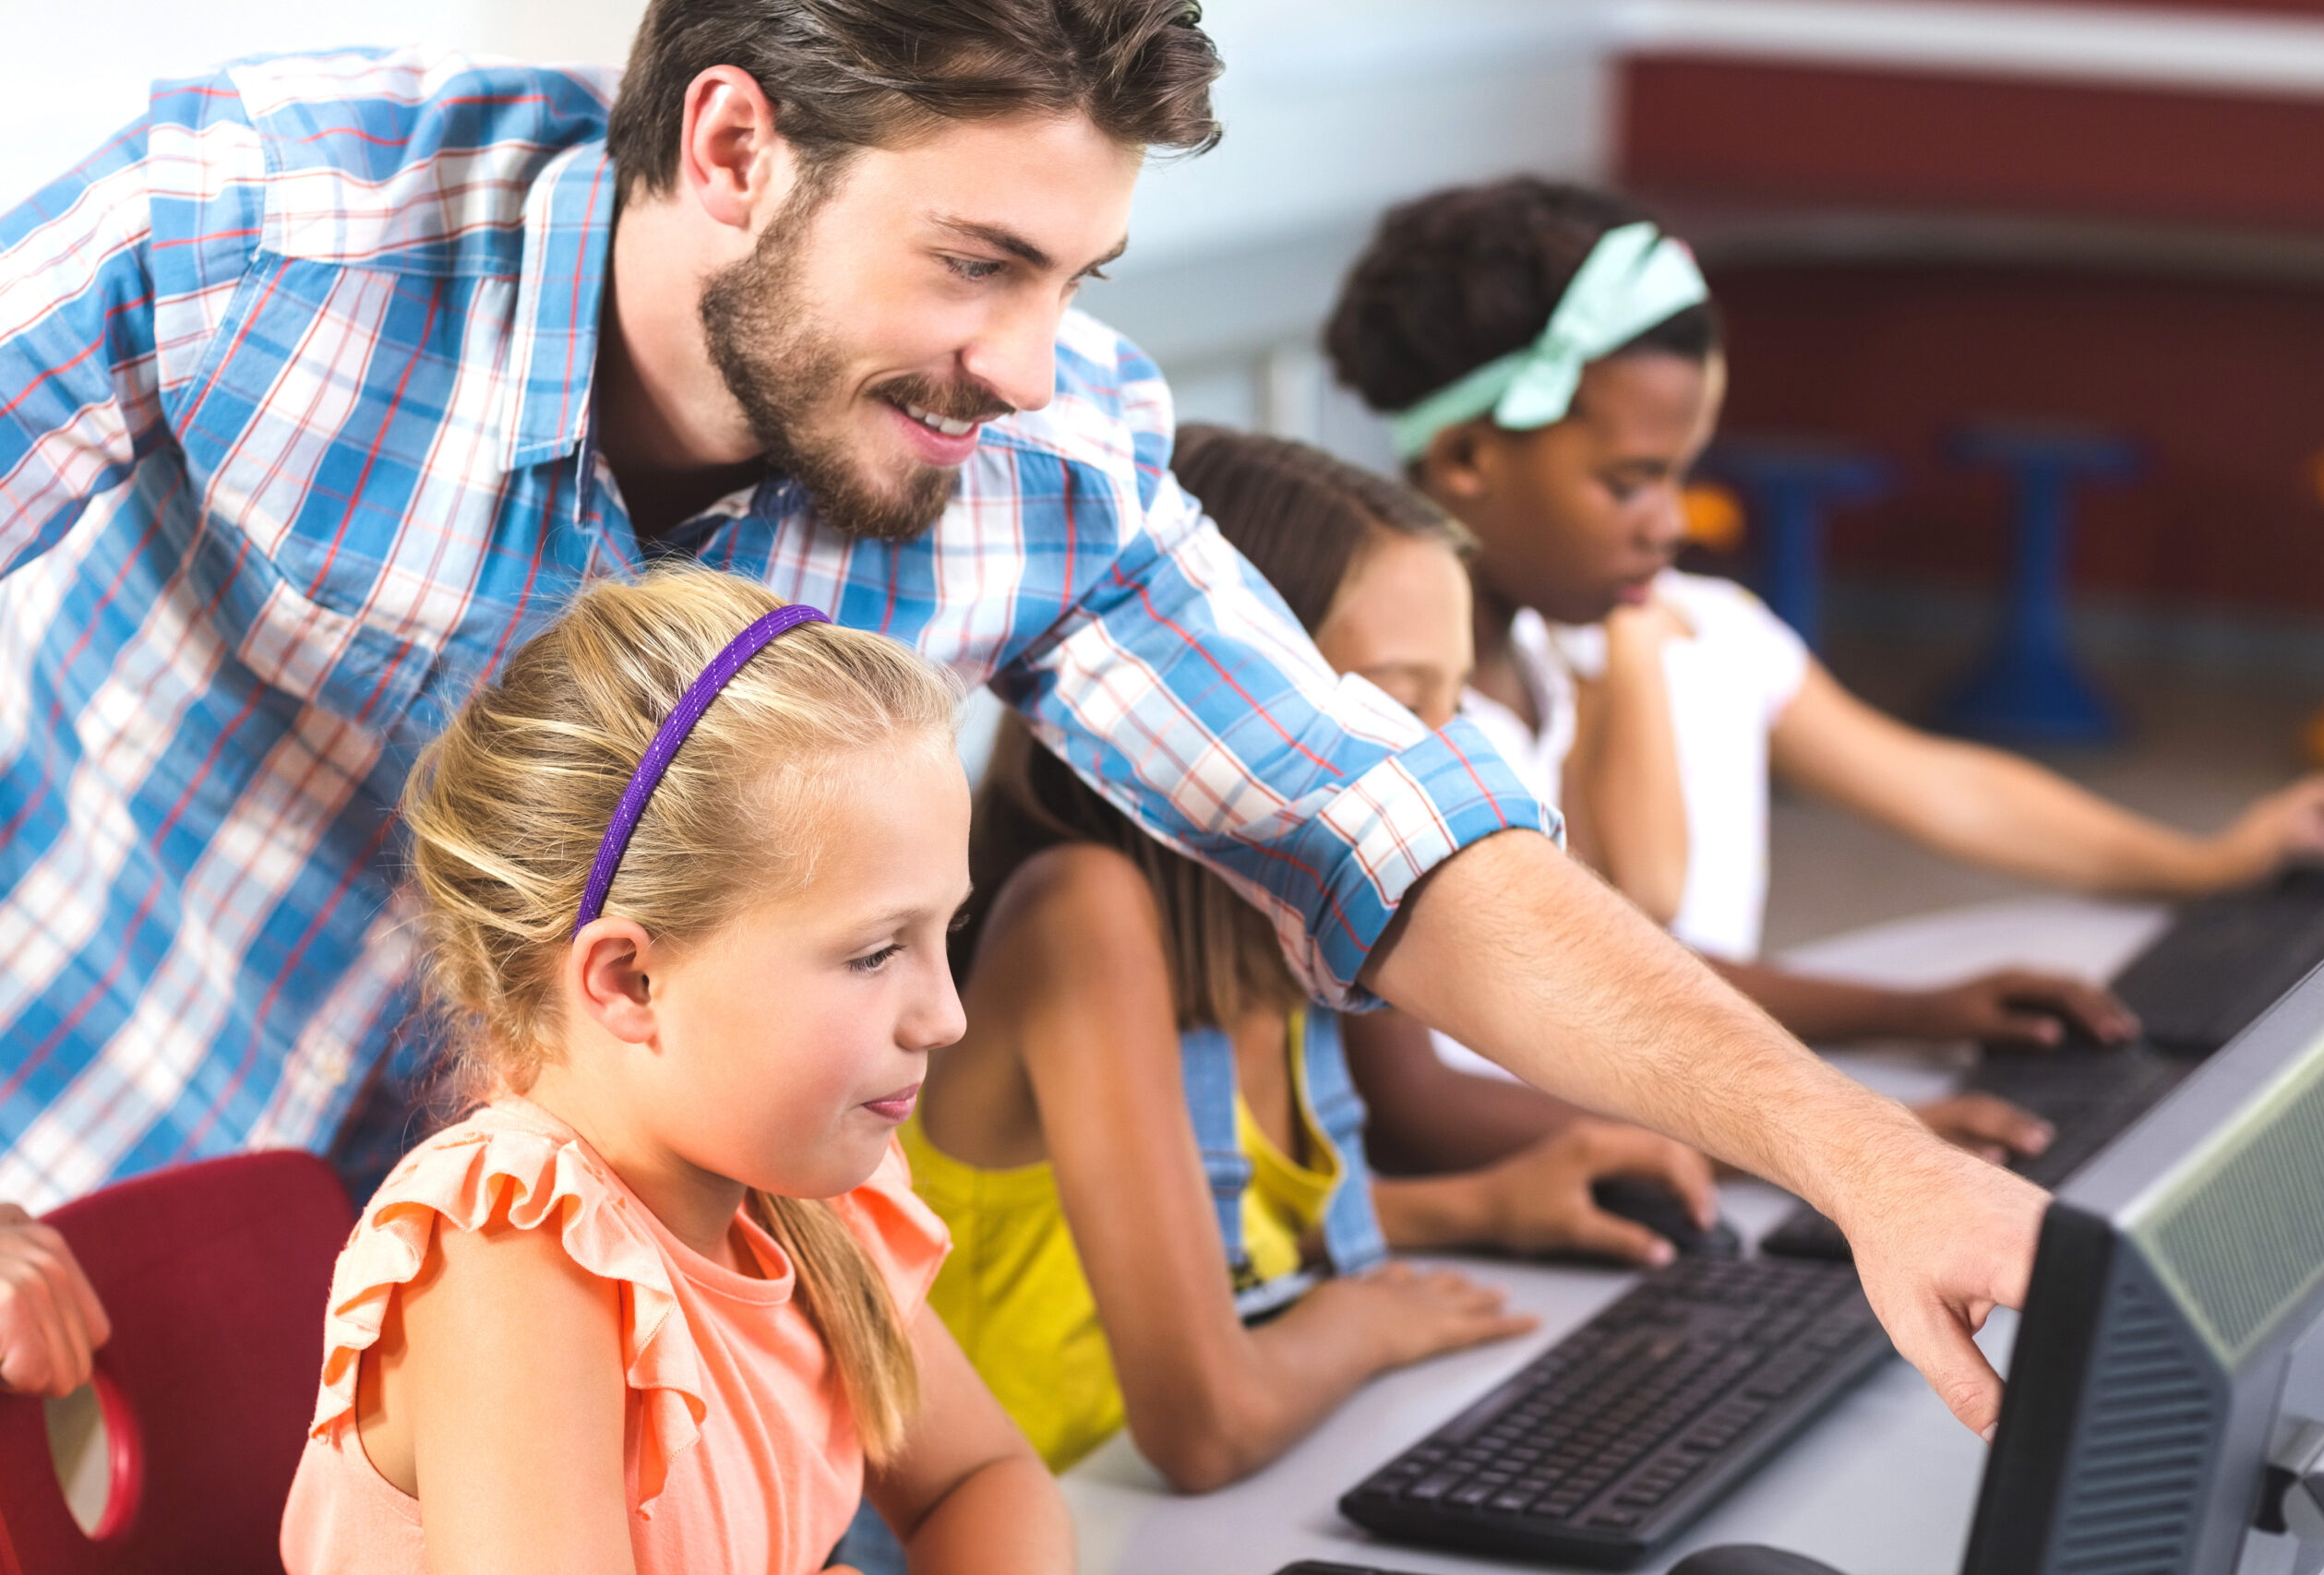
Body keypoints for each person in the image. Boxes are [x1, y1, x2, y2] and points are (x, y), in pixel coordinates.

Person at [0, 1, 2044, 1442]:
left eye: (1075, 274)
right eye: (976, 262)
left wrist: (1865, 1166)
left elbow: (1383, 830)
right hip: (81, 1216)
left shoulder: (1043, 470)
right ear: (732, 147)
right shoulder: (263, 231)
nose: (1025, 363)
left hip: (592, 1337)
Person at [1320, 178, 2324, 1089]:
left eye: (1682, 475)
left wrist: (2204, 862)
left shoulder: (1707, 631)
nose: (1672, 523)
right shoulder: (1413, 710)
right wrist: (1906, 1018)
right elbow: (1638, 925)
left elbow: (1947, 787)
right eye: (1630, 482)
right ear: (1465, 462)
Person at [911, 428, 1717, 1488]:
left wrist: (1481, 1208)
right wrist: (1364, 1326)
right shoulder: (1086, 921)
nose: (1436, 763)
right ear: (1207, 708)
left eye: (1449, 707)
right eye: (1389, 702)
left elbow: (1205, 1234)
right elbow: (1207, 1429)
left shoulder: (1284, 930)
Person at [278, 567, 1070, 1572]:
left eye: (942, 933)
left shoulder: (800, 1188)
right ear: (629, 979)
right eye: (875, 953)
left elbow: (986, 1481)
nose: (947, 1016)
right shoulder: (509, 1249)